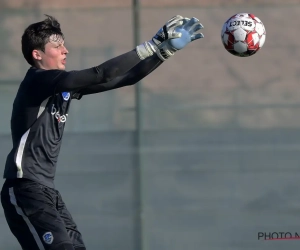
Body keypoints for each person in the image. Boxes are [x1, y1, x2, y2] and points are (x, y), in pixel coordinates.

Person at [0, 14, 204, 250]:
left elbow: (125, 78)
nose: (65, 50)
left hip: (46, 192)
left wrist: (164, 52)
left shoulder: (62, 88)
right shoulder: (37, 82)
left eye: (64, 44)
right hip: (25, 189)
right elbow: (102, 73)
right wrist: (151, 44)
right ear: (37, 54)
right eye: (57, 46)